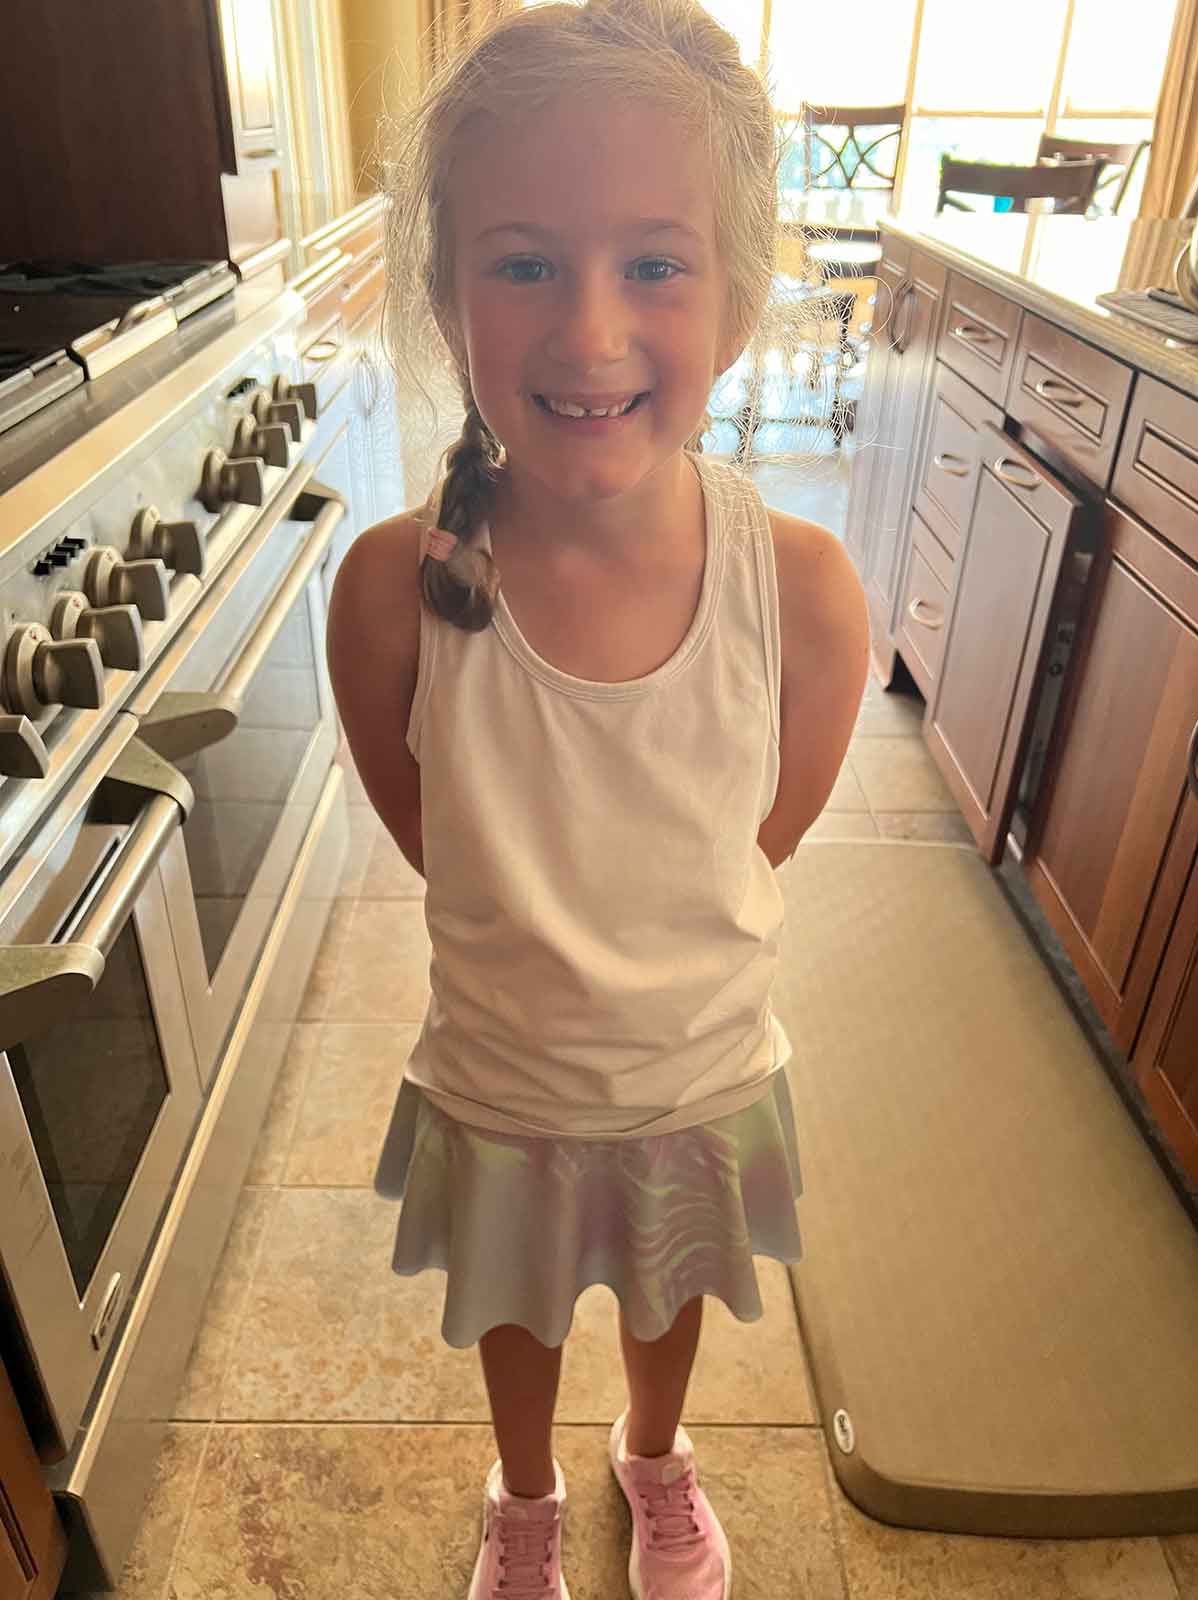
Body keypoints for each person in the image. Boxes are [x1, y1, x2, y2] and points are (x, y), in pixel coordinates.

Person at [325, 2, 870, 1595]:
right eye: (521, 264)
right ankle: (525, 1497)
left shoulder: (804, 592)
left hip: (694, 1077)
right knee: (517, 1312)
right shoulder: (392, 595)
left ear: (741, 294)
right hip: (502, 1082)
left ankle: (654, 1457)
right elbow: (444, 845)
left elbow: (753, 839)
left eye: (653, 263)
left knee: (663, 1290)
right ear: (444, 296)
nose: (590, 331)